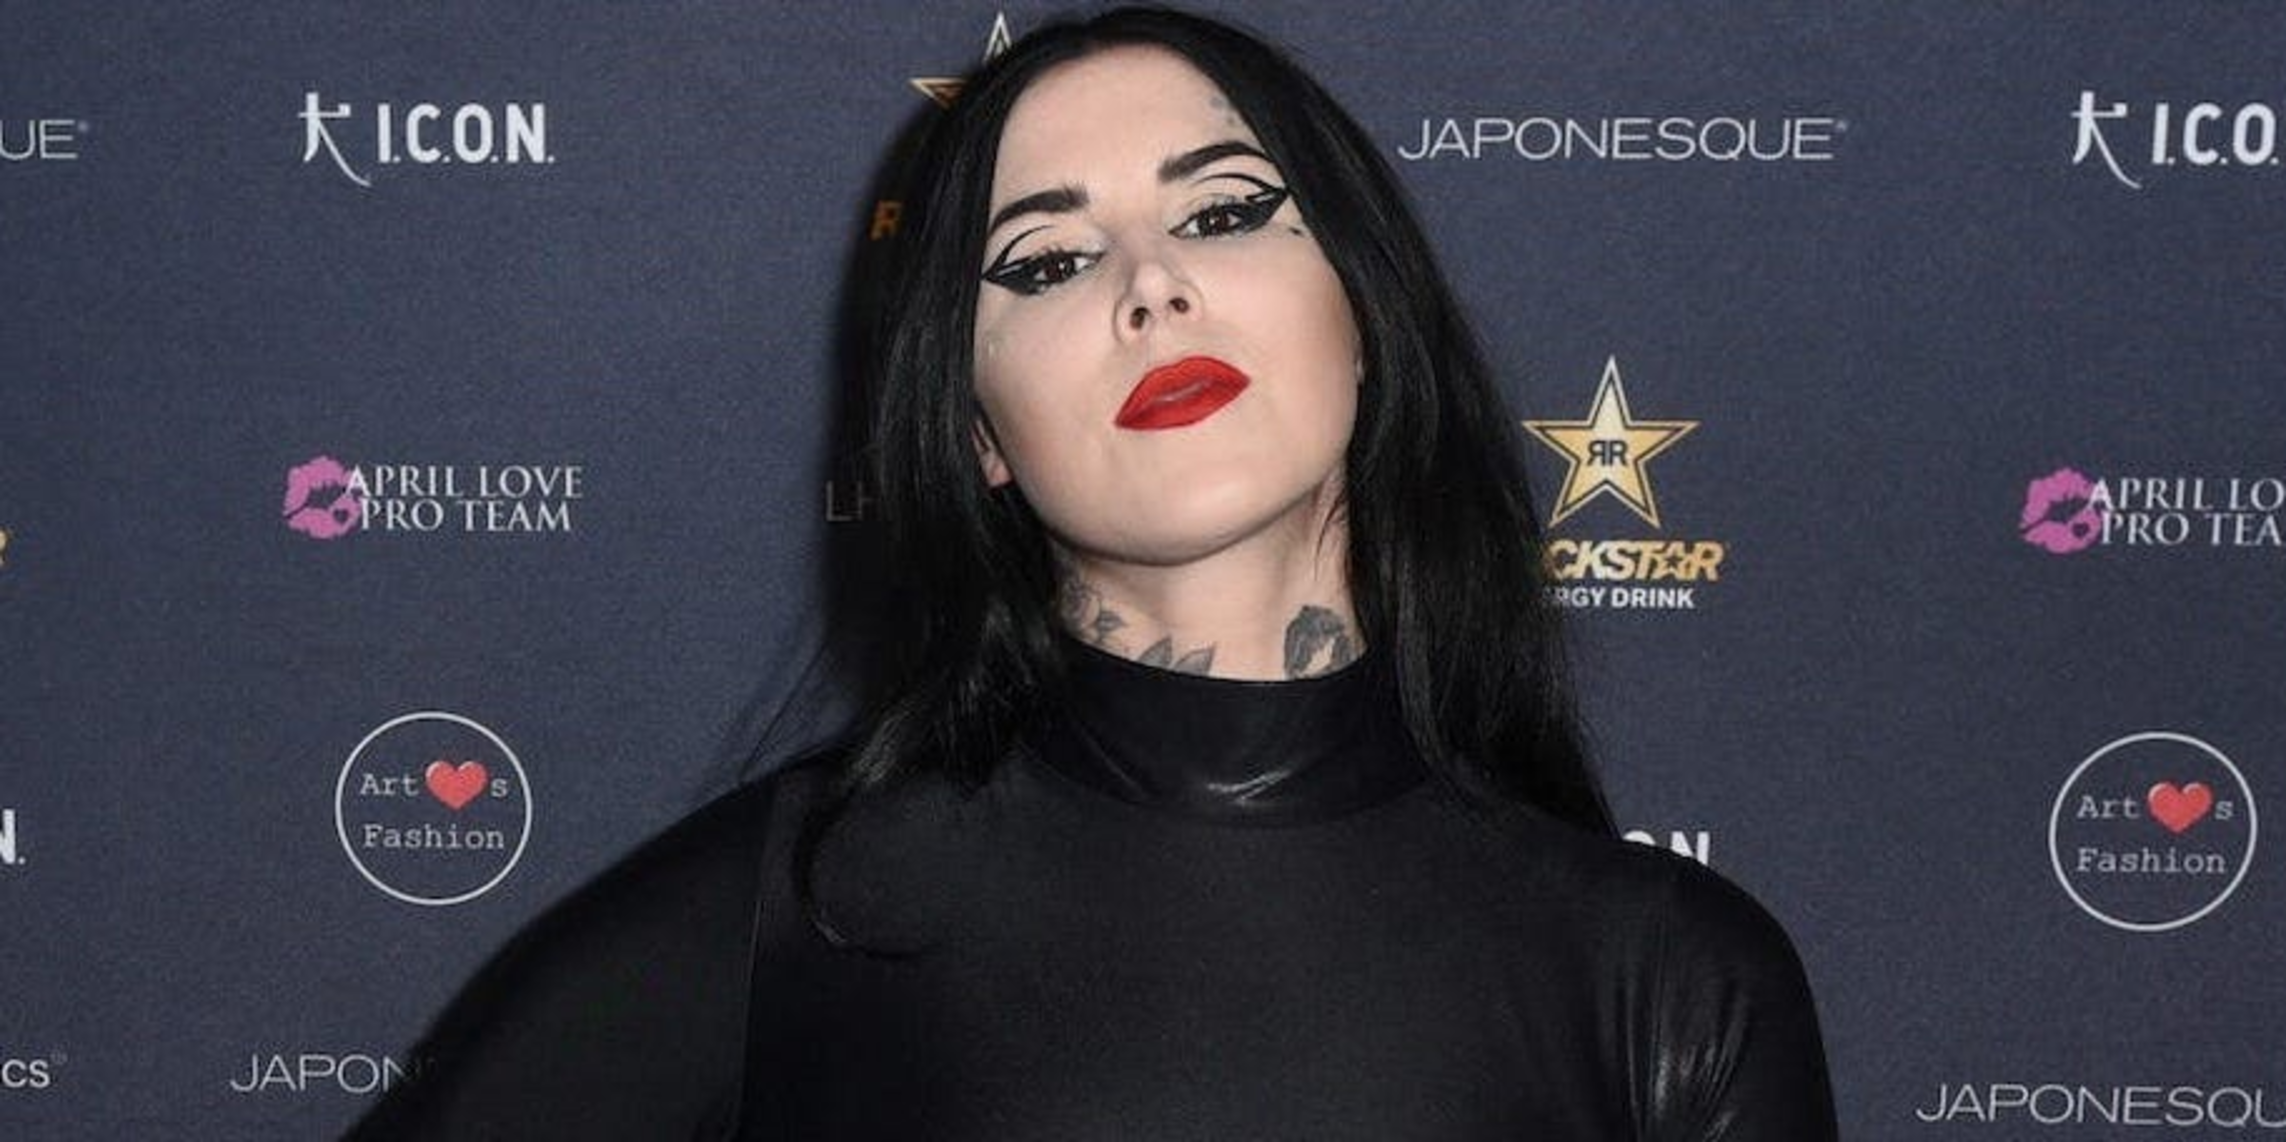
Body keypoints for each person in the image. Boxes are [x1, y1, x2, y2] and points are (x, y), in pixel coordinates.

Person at [346, 8, 1837, 1139]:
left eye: (1223, 211)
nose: (1151, 285)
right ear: (975, 430)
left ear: (1366, 314)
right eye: (1046, 262)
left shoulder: (1668, 980)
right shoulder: (798, 903)